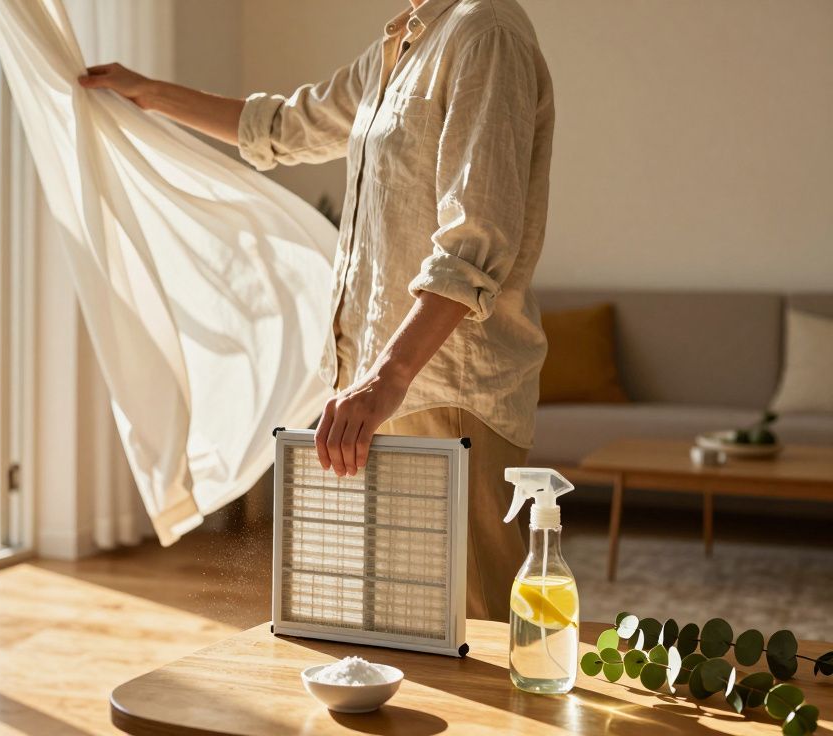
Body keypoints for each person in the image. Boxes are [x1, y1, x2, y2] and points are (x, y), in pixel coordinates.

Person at [79, 0, 553, 623]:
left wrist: (385, 380)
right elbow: (280, 128)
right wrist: (147, 92)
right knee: (399, 628)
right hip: (377, 391)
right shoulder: (399, 48)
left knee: (473, 628)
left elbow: (476, 239)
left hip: (443, 389)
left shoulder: (484, 32)